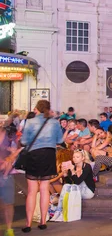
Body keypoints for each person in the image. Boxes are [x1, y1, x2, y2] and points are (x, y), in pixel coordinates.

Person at [20, 99, 63, 233]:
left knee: (32, 190)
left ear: (37, 109)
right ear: (48, 109)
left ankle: (28, 223)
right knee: (44, 188)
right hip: (49, 155)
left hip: (33, 155)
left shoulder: (30, 121)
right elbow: (60, 140)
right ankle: (43, 221)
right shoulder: (54, 122)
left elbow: (24, 141)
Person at [55, 149, 95, 215]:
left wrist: (73, 171)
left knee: (67, 191)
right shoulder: (72, 166)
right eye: (74, 157)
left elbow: (78, 182)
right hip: (77, 189)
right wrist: (65, 175)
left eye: (77, 157)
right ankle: (59, 211)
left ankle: (59, 210)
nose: (75, 159)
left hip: (87, 191)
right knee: (65, 186)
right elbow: (69, 183)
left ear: (83, 158)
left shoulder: (87, 167)